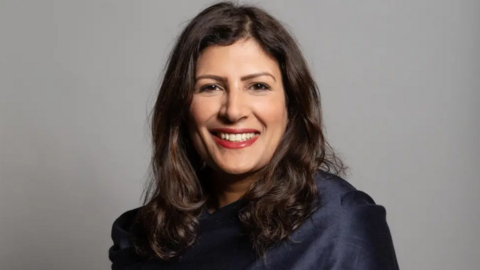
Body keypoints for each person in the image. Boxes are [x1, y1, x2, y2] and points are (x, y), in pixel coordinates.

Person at [108, 2, 399, 269]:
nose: (233, 111)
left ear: (290, 103)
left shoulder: (340, 225)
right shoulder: (147, 235)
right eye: (210, 87)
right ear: (181, 107)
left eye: (258, 86)